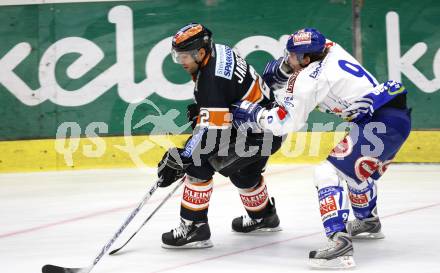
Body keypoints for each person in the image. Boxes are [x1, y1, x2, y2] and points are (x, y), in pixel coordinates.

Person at [232, 28, 411, 268]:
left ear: (306, 59)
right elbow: (303, 60)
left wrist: (253, 113)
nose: (289, 59)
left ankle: (339, 243)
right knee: (350, 169)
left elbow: (283, 124)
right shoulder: (329, 47)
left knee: (327, 172)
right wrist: (286, 69)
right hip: (392, 118)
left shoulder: (307, 81)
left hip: (379, 126)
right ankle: (367, 221)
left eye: (293, 56)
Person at [157, 23, 284, 249]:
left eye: (185, 56)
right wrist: (212, 109)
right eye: (178, 56)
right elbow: (232, 93)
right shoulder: (221, 52)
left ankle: (194, 227)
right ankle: (264, 216)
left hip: (256, 134)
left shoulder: (211, 80)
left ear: (201, 52)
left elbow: (211, 134)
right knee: (244, 175)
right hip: (268, 127)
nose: (182, 62)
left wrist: (183, 156)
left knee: (198, 164)